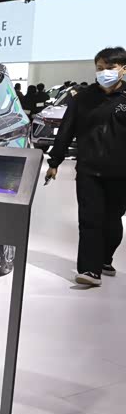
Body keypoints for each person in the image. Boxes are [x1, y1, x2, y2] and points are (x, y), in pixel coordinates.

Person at [46, 47, 126, 286]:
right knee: (90, 219)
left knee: (113, 220)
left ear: (123, 69)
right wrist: (55, 161)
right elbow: (66, 130)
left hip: (121, 172)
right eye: (100, 68)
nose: (104, 72)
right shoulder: (83, 98)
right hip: (88, 170)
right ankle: (90, 269)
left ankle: (105, 258)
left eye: (110, 68)